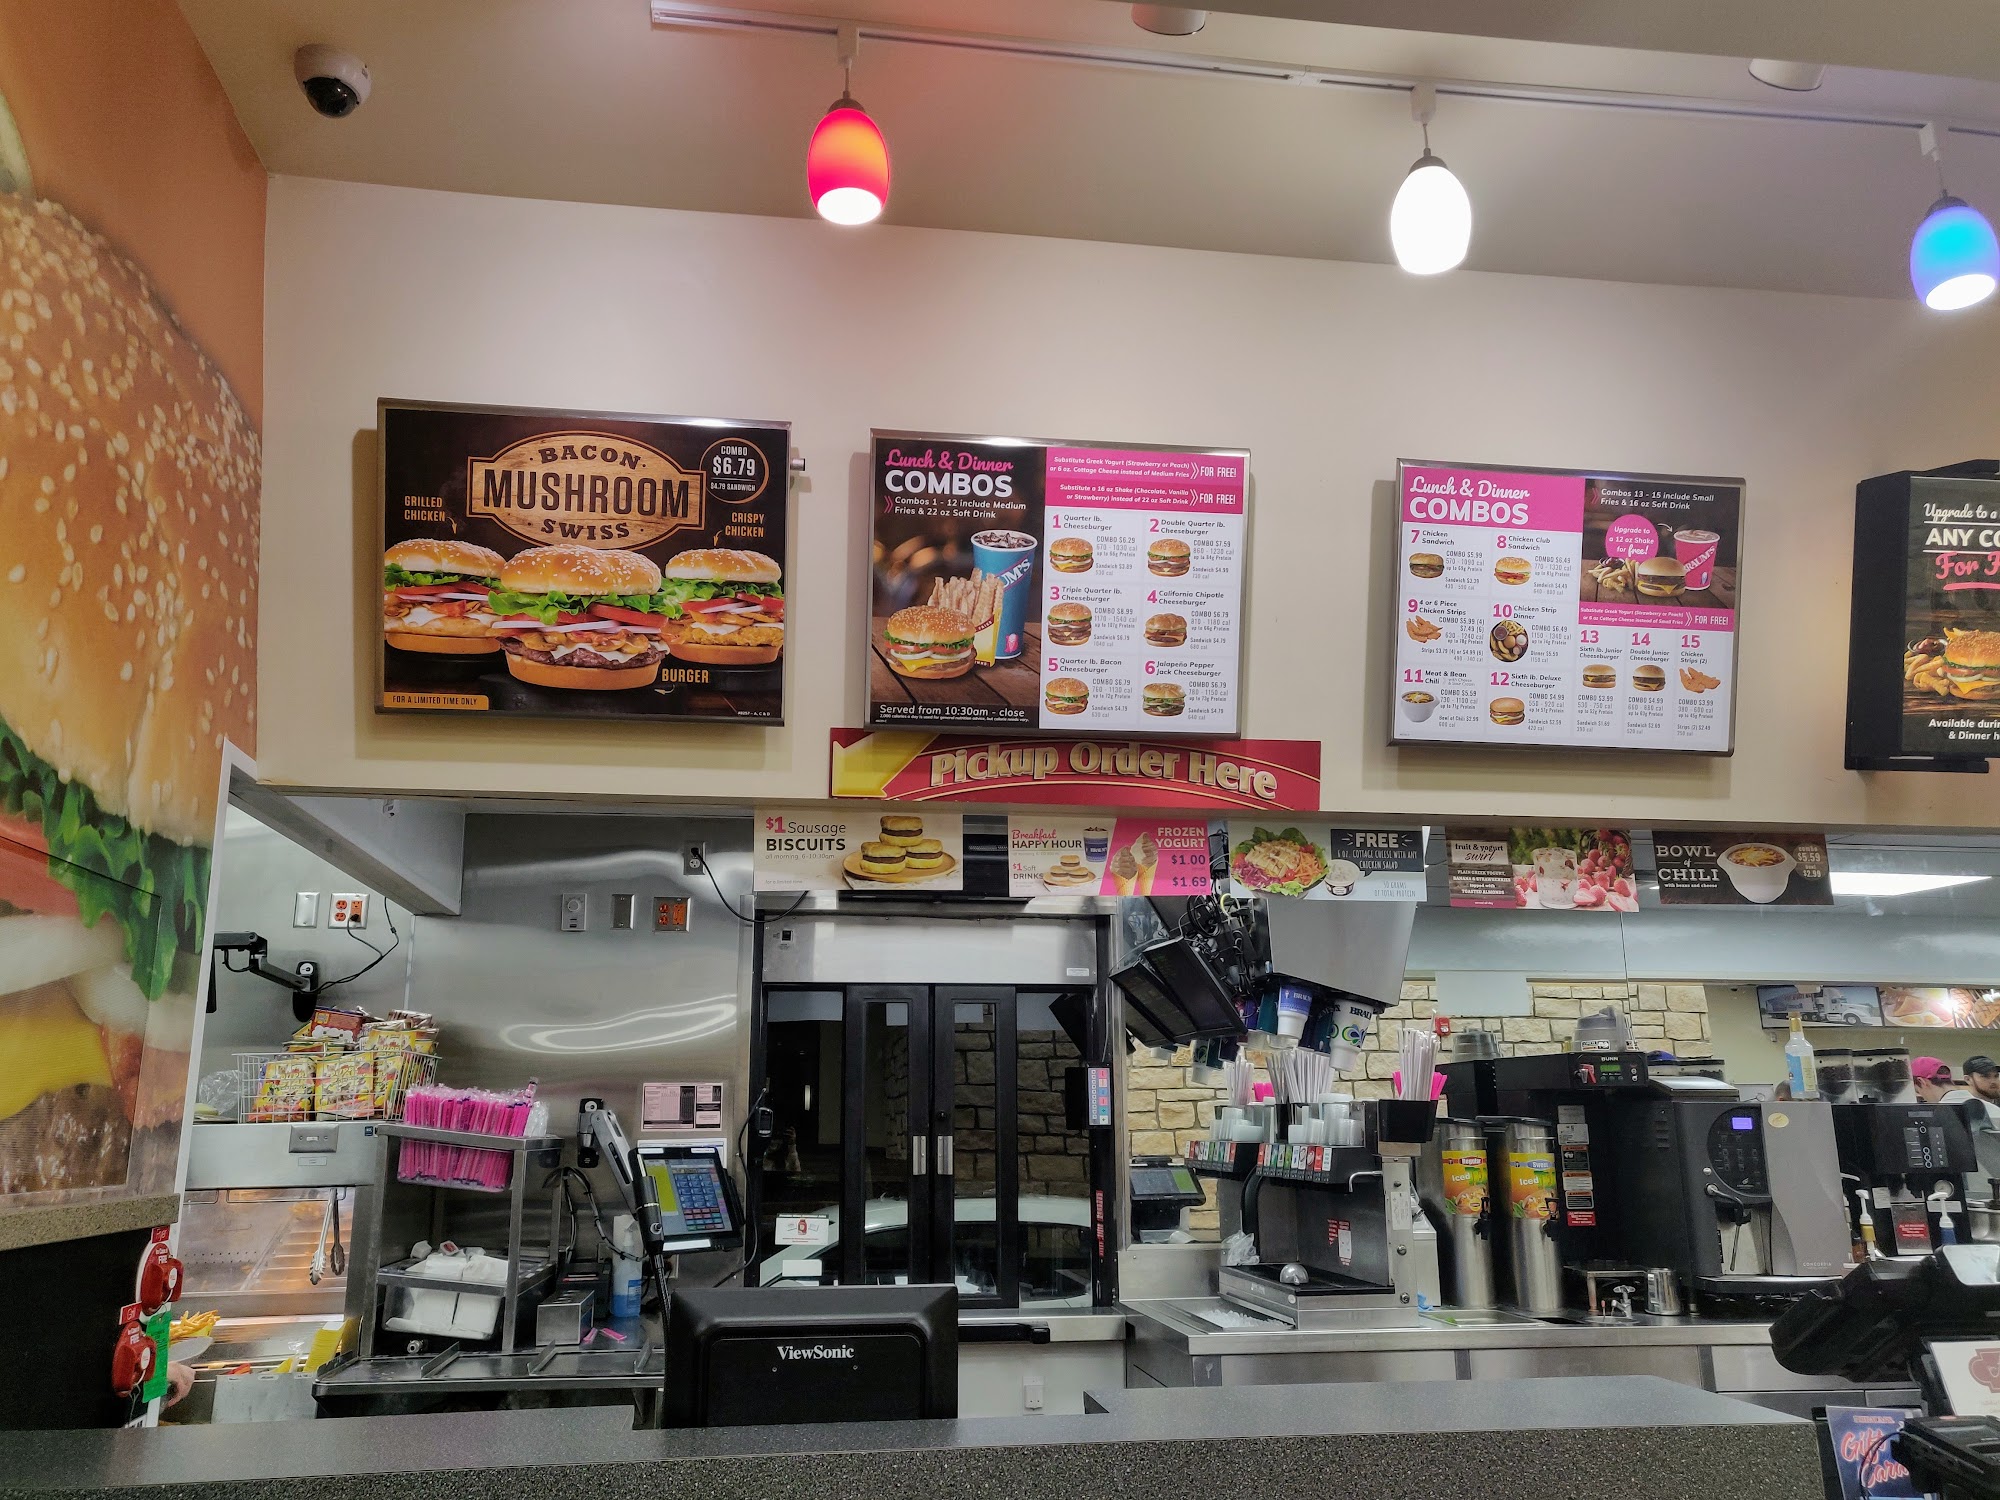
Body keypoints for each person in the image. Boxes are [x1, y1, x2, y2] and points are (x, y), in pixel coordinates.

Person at [1965, 1057, 2000, 1124]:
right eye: (1985, 1076)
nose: (1993, 1081)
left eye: (1996, 1076)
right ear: (1968, 1079)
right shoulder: (1962, 1110)